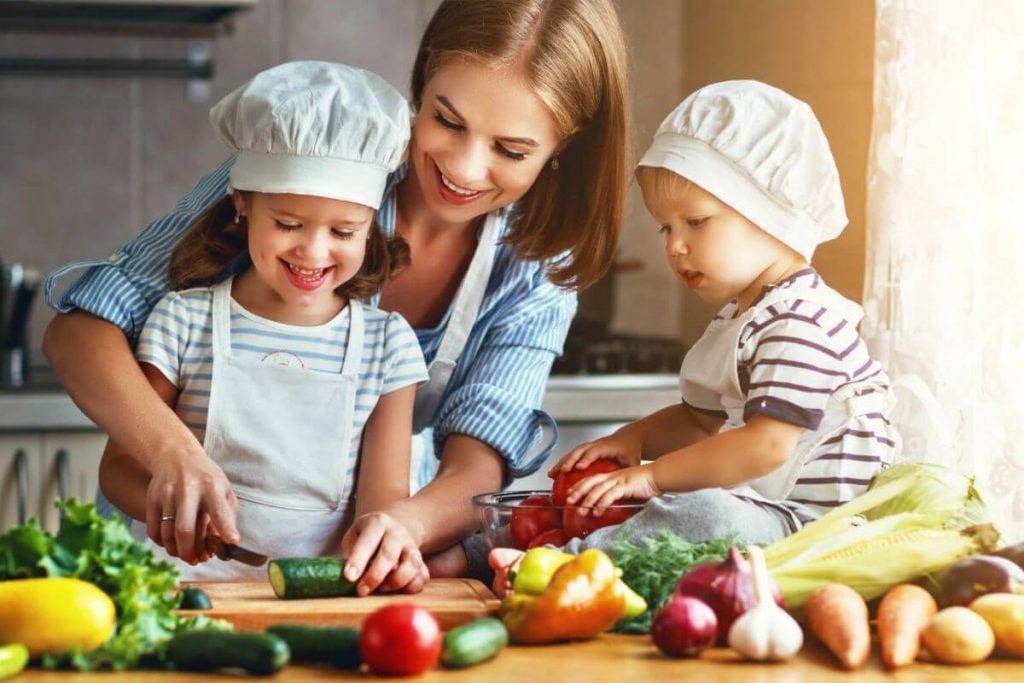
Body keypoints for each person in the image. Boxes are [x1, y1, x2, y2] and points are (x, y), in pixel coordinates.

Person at [43, 0, 631, 593]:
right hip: (167, 561)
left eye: (510, 150)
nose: (463, 167)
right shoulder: (309, 157)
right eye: (447, 121)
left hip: (331, 567)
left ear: (562, 146)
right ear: (421, 83)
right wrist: (174, 456)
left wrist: (402, 524)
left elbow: (476, 461)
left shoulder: (537, 265)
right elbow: (80, 332)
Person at [492, 80, 900, 594]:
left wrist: (653, 476)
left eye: (696, 221)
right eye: (666, 228)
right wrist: (633, 440)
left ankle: (561, 566)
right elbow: (698, 422)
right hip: (764, 510)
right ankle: (508, 544)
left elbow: (767, 446)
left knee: (702, 510)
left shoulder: (802, 322)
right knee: (674, 503)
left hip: (812, 528)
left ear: (770, 212)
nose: (676, 246)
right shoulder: (744, 316)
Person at [94, 61, 429, 581]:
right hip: (183, 588)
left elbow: (381, 504)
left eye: (344, 231)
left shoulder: (388, 346)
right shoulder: (184, 321)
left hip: (315, 598)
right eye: (289, 224)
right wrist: (173, 512)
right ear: (242, 203)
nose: (313, 251)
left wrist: (383, 550)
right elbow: (118, 470)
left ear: (371, 227)